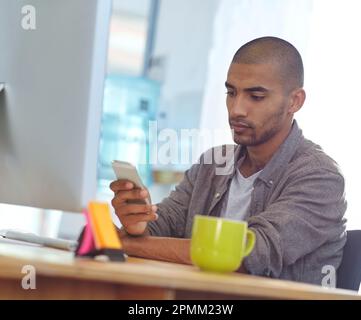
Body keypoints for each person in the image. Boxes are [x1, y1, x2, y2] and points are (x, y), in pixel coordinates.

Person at [110, 36, 347, 285]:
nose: (236, 109)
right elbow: (164, 226)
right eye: (231, 93)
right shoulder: (213, 163)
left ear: (294, 101)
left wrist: (125, 242)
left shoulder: (320, 177)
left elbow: (245, 256)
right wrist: (139, 222)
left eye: (255, 97)